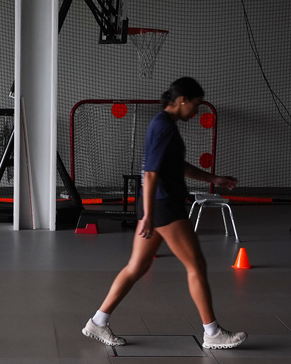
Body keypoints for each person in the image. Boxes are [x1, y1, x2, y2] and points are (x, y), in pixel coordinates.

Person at [82, 77, 246, 350]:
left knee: (137, 266)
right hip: (163, 205)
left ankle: (98, 322)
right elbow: (151, 172)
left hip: (156, 204)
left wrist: (213, 179)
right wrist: (148, 214)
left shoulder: (164, 123)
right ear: (183, 100)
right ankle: (212, 333)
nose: (196, 111)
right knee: (196, 265)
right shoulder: (164, 127)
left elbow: (175, 165)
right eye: (196, 104)